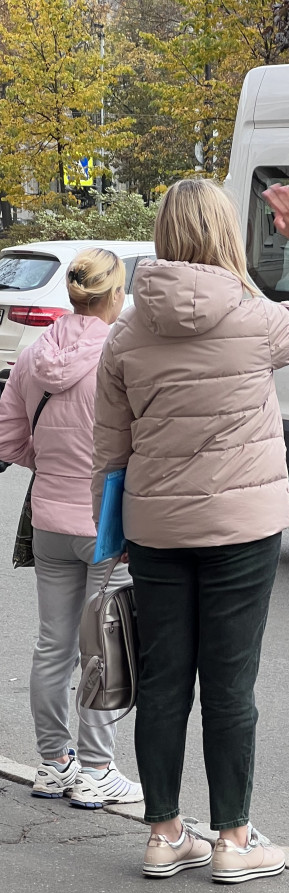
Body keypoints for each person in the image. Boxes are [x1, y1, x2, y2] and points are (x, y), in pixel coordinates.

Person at [91, 179, 289, 883]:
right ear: (224, 235)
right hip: (243, 528)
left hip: (156, 527)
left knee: (164, 680)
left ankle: (165, 833)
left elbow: (110, 449)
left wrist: (113, 529)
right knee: (231, 683)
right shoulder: (254, 319)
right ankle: (233, 838)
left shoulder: (126, 334)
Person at [0, 249, 143, 808]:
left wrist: (54, 463)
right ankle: (97, 769)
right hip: (105, 518)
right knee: (103, 646)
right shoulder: (120, 353)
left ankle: (52, 763)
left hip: (49, 517)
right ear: (114, 296)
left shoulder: (34, 353)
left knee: (53, 645)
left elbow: (9, 438)